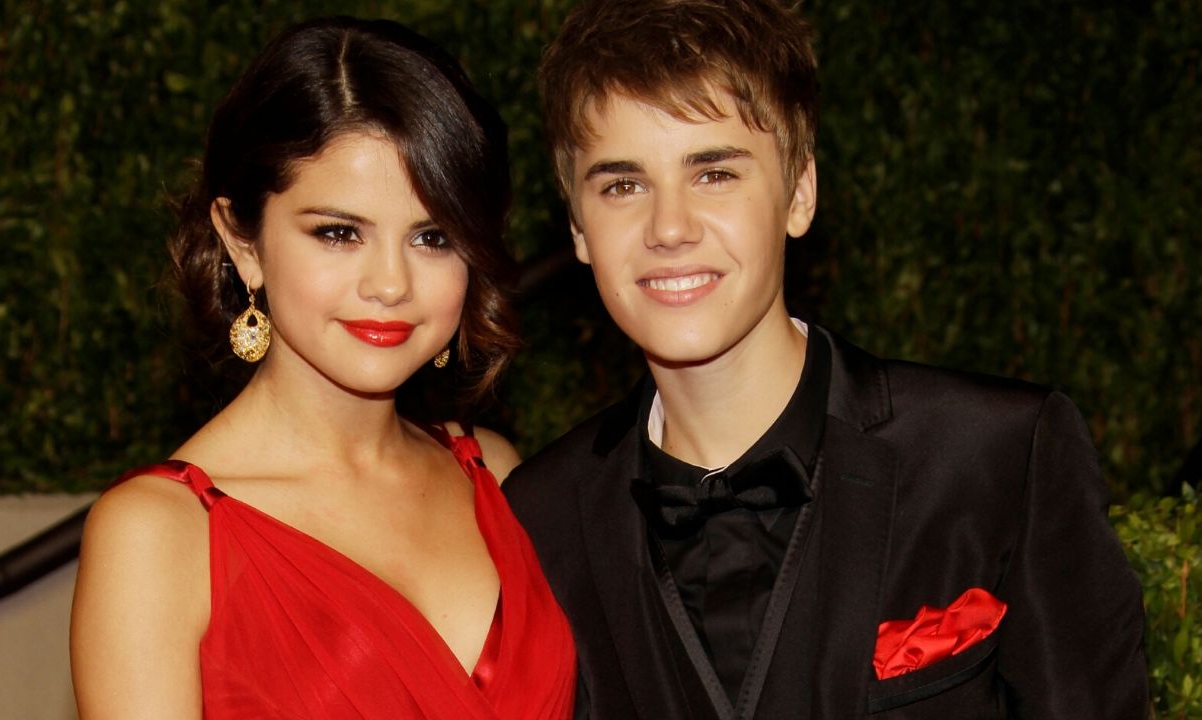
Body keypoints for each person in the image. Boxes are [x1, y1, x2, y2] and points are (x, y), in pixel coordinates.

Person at [502, 1, 1149, 718]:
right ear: (578, 228)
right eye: (623, 185)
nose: (669, 227)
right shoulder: (539, 517)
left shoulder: (998, 457)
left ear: (800, 192)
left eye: (714, 173)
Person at [70, 17, 575, 719]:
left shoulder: (491, 471)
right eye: (339, 233)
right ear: (243, 243)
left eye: (433, 237)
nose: (390, 283)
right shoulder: (159, 535)